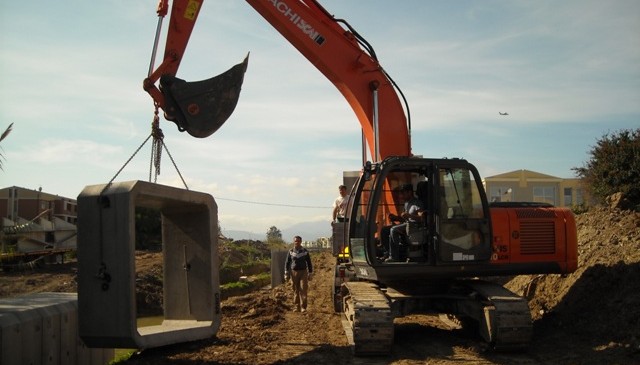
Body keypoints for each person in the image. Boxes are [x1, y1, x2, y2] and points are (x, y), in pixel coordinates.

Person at [386, 183, 424, 262]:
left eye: (403, 193)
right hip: (406, 225)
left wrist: (409, 216)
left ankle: (394, 257)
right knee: (385, 230)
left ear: (409, 192)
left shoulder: (417, 203)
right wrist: (395, 217)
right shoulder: (407, 203)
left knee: (393, 230)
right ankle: (388, 252)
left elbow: (421, 218)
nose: (402, 196)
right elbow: (404, 219)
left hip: (414, 227)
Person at [283, 235, 313, 312]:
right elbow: (287, 262)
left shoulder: (305, 251)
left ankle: (303, 307)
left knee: (303, 288)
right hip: (293, 272)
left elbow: (309, 262)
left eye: (298, 241)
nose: (297, 242)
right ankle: (297, 307)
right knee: (295, 289)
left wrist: (310, 273)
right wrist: (286, 272)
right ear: (294, 242)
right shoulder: (291, 251)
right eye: (296, 241)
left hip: (303, 272)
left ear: (301, 242)